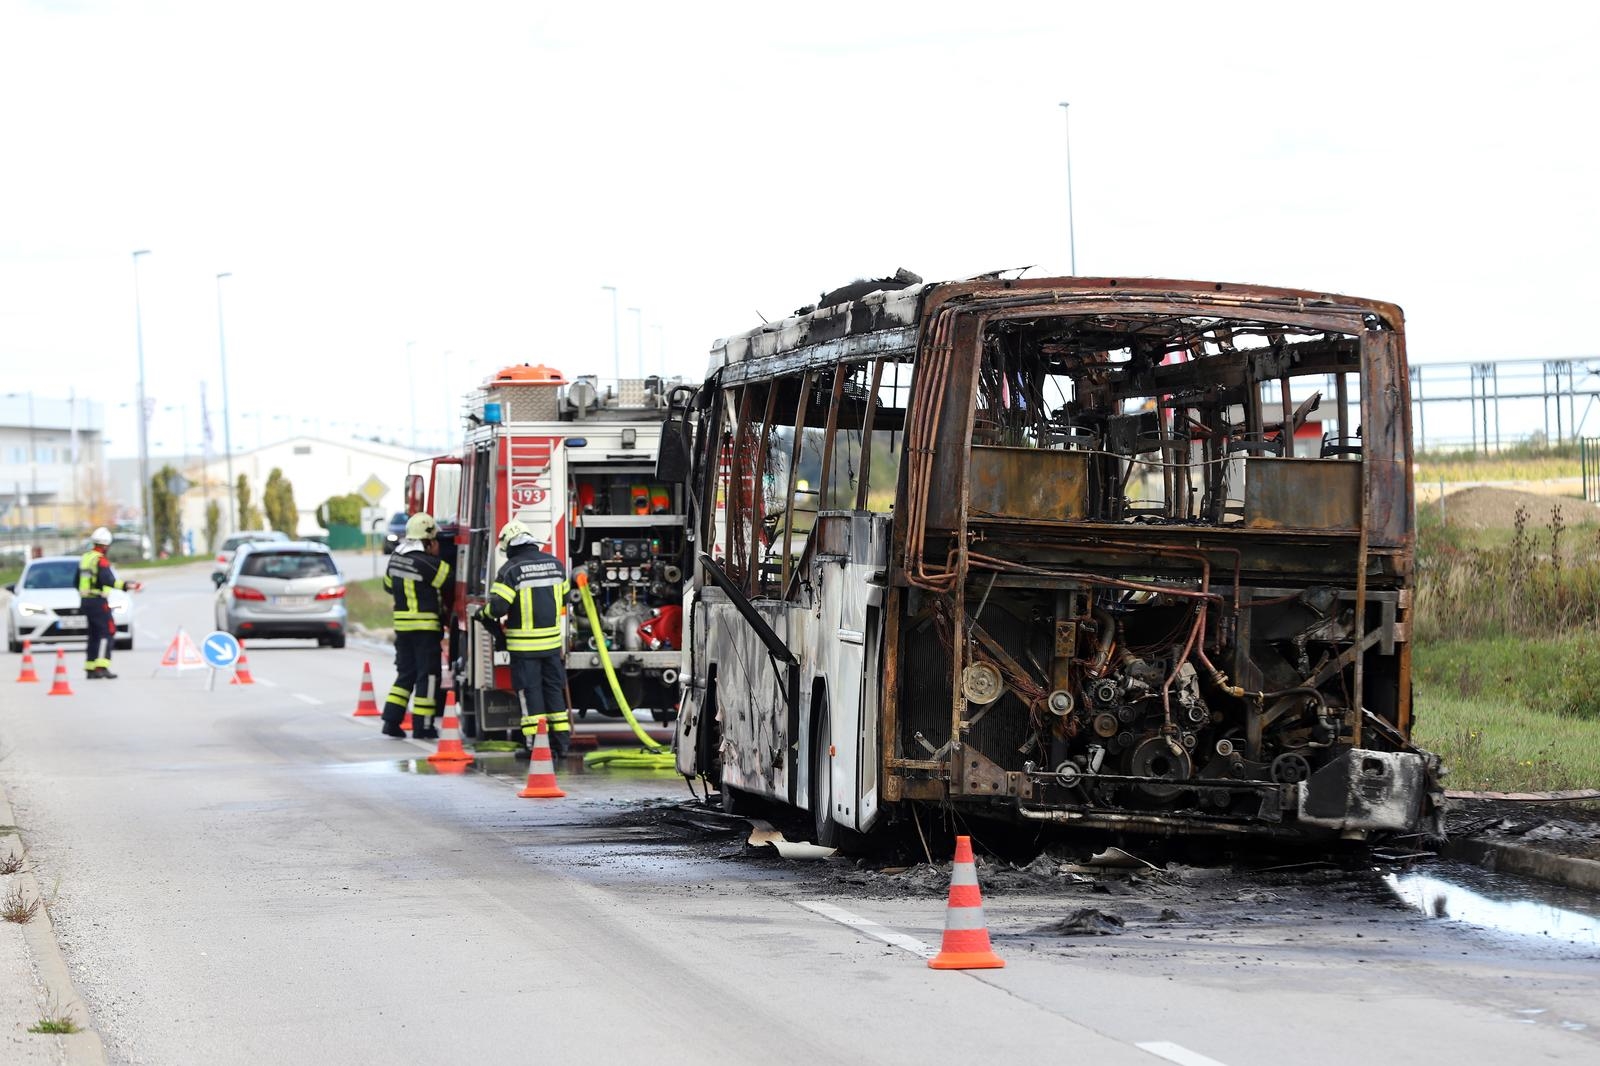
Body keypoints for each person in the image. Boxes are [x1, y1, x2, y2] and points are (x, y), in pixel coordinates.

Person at [477, 520, 571, 760]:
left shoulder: (511, 569)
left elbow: (497, 608)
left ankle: (535, 745)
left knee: (531, 695)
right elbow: (567, 598)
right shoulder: (556, 565)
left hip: (524, 647)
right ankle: (561, 745)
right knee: (554, 692)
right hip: (551, 645)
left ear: (510, 545)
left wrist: (483, 613)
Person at [382, 512, 454, 740]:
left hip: (402, 629)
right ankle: (423, 726)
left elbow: (387, 586)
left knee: (405, 675)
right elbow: (451, 581)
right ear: (428, 541)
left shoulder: (395, 558)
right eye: (435, 542)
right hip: (425, 630)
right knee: (428, 676)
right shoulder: (431, 564)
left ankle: (391, 721)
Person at [78, 527, 140, 679]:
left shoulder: (86, 558)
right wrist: (128, 585)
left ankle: (90, 667)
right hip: (98, 601)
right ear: (106, 546)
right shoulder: (101, 561)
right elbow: (109, 580)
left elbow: (76, 581)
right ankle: (102, 666)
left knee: (94, 634)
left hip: (86, 601)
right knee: (108, 631)